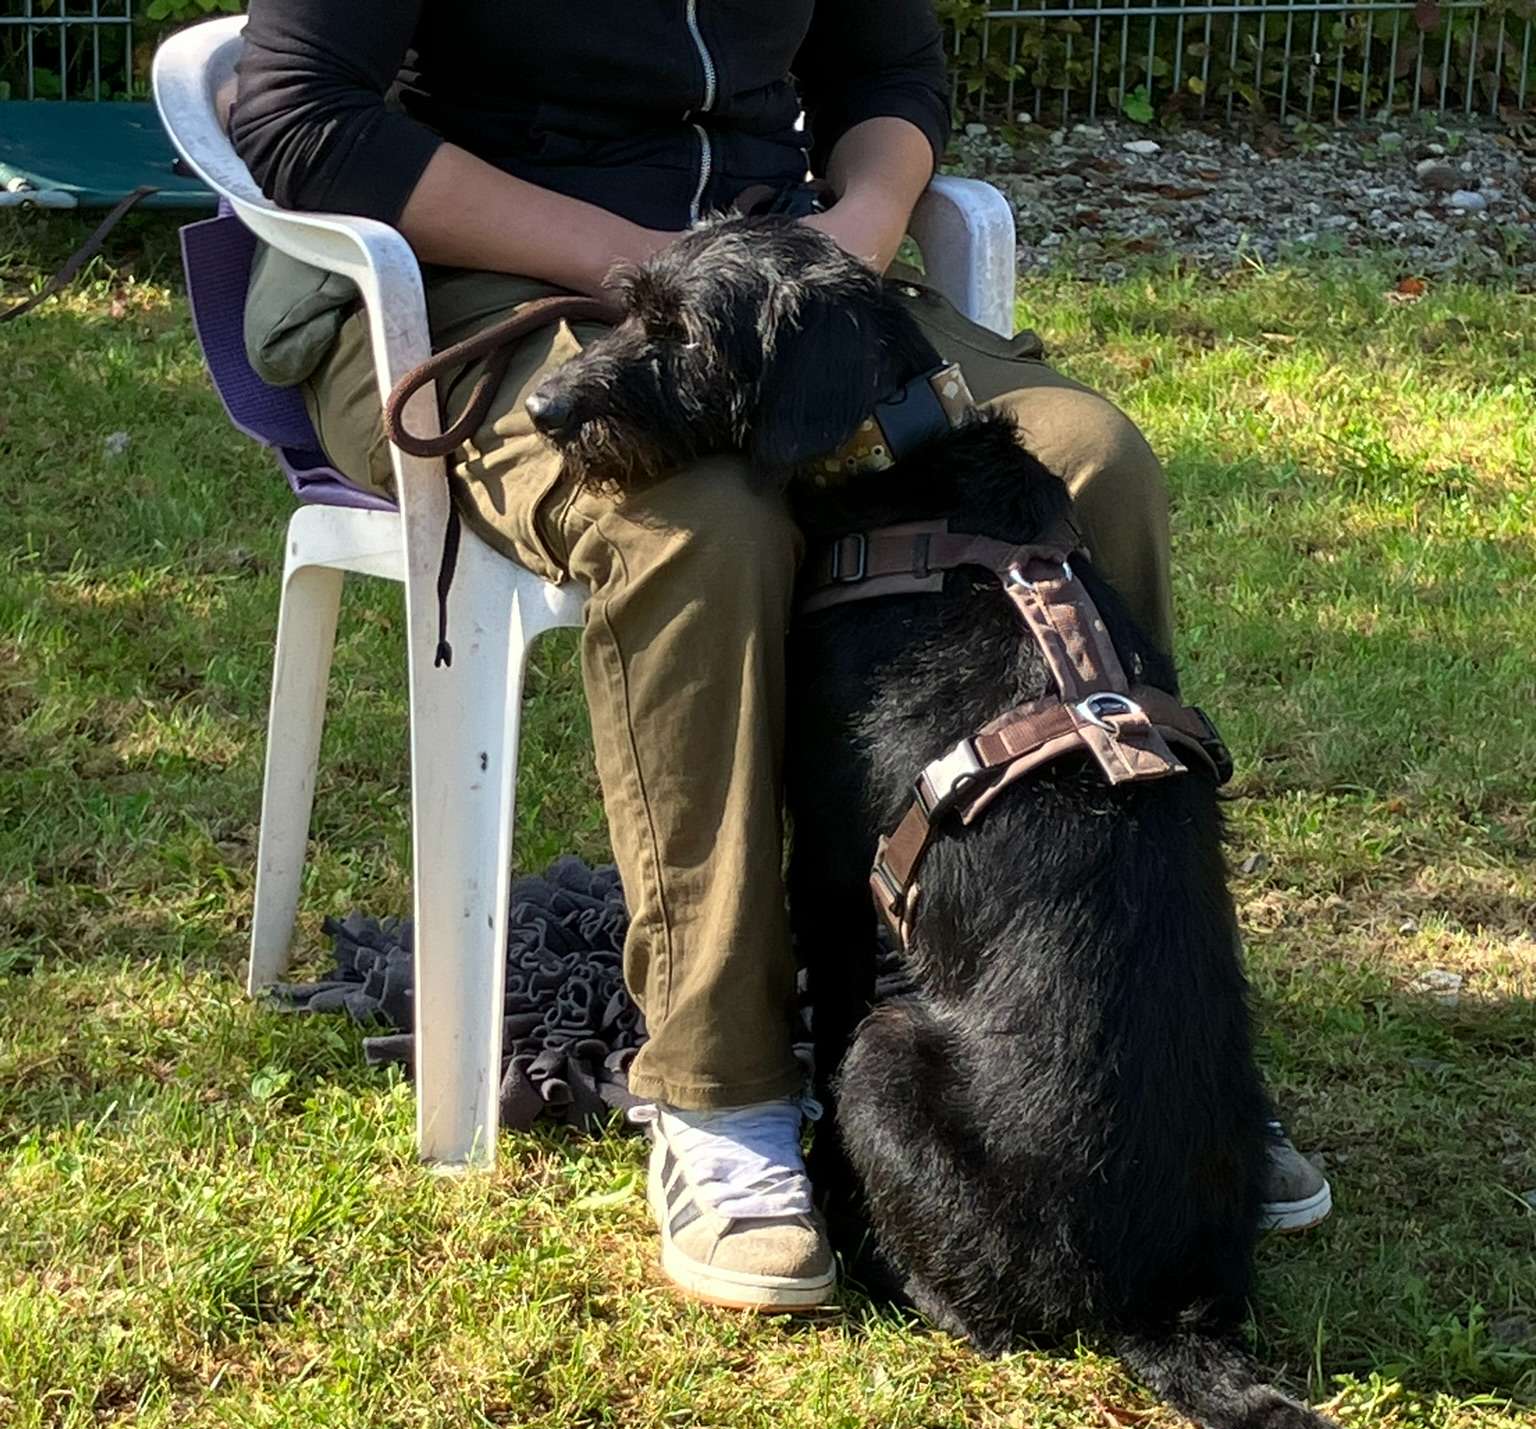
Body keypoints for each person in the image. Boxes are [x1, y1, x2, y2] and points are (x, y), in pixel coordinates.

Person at [230, 2, 1331, 1313]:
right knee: (704, 527)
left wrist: (852, 236)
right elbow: (298, 117)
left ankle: (1136, 1047)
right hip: (466, 291)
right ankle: (721, 1094)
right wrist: (651, 266)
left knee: (1090, 464)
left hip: (773, 298)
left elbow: (890, 71)